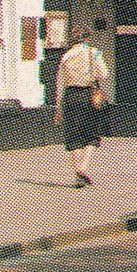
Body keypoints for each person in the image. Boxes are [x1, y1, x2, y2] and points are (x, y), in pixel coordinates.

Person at [55, 18, 112, 188]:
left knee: (74, 135)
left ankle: (78, 170)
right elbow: (104, 74)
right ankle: (82, 169)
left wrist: (58, 109)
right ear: (86, 38)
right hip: (88, 95)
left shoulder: (66, 56)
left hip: (70, 97)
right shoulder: (93, 53)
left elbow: (60, 85)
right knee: (91, 134)